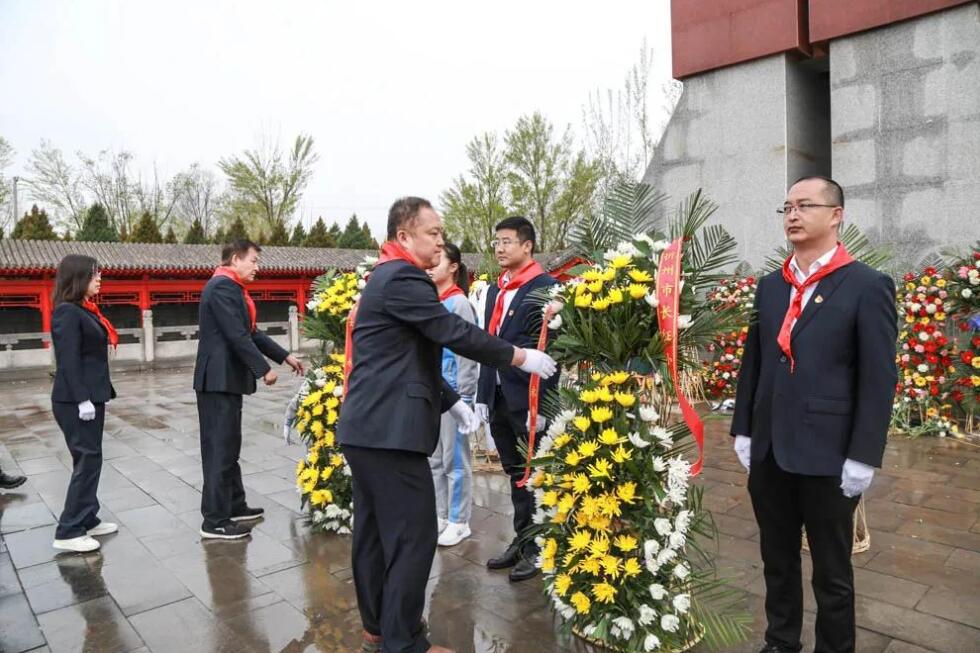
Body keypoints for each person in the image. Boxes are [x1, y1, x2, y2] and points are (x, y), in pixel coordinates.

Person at [337, 196, 557, 653]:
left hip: (368, 429)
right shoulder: (404, 276)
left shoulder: (385, 275)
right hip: (391, 434)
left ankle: (378, 630)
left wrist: (453, 401)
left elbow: (405, 356)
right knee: (414, 538)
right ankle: (404, 643)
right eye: (433, 232)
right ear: (404, 236)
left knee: (374, 536)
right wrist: (519, 356)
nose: (441, 241)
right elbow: (451, 332)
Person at [731, 176, 897, 653]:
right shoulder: (771, 286)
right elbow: (755, 361)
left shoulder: (866, 285)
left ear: (836, 215)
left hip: (828, 454)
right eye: (787, 207)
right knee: (777, 560)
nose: (793, 215)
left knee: (832, 571)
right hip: (770, 450)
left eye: (805, 205)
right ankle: (781, 641)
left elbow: (878, 377)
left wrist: (863, 455)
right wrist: (744, 428)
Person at [194, 239, 305, 540]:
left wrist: (284, 356)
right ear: (235, 259)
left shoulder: (231, 288)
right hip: (217, 380)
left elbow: (251, 333)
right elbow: (236, 335)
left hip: (225, 380)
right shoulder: (221, 287)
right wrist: (263, 369)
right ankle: (214, 520)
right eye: (253, 261)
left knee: (229, 445)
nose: (257, 267)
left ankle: (234, 504)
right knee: (219, 449)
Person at [475, 216, 558, 583]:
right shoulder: (496, 290)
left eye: (507, 241)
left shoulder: (546, 288)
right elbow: (487, 343)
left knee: (535, 474)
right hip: (498, 395)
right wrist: (483, 392)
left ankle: (540, 546)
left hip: (528, 399)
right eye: (497, 242)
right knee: (514, 473)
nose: (500, 248)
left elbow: (550, 351)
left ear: (527, 245)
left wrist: (543, 407)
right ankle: (523, 540)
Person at [49, 255, 118, 553]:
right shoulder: (67, 312)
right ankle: (69, 529)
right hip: (75, 400)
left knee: (91, 458)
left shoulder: (84, 309)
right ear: (77, 278)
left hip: (91, 396)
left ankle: (87, 517)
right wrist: (82, 399)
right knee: (87, 459)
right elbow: (68, 360)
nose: (99, 278)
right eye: (93, 274)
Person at [427, 242, 478, 547]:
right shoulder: (434, 302)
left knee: (455, 460)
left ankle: (460, 520)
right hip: (433, 391)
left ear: (454, 267)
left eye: (437, 262)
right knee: (434, 458)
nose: (430, 267)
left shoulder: (458, 303)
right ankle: (441, 514)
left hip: (453, 394)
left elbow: (468, 353)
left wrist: (466, 398)